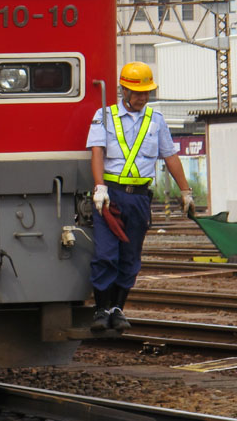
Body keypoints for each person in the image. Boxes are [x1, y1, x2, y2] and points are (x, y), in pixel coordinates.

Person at [86, 61, 195, 332]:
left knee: (130, 257)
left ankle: (117, 310)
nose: (142, 97)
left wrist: (185, 191)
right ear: (124, 90)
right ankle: (101, 310)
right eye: (137, 92)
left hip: (138, 199)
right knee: (105, 255)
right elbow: (97, 152)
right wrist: (100, 187)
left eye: (146, 92)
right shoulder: (104, 116)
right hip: (110, 197)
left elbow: (170, 156)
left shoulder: (156, 121)